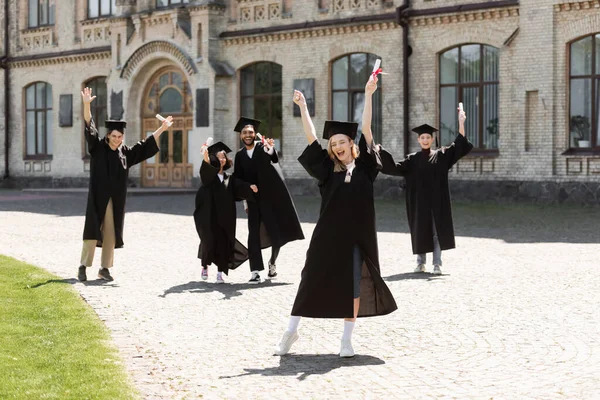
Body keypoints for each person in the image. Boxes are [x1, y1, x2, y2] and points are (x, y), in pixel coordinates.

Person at [274, 78, 397, 358]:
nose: (337, 146)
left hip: (358, 238)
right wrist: (304, 107)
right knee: (309, 279)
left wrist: (368, 95)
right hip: (327, 235)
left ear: (351, 144)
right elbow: (311, 137)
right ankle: (290, 332)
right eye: (334, 144)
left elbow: (366, 128)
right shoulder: (327, 170)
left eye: (342, 142)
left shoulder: (367, 167)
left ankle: (346, 340)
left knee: (354, 285)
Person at [77, 87, 172, 282]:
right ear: (107, 136)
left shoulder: (125, 153)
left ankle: (104, 268)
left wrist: (162, 128)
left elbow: (144, 145)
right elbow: (89, 124)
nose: (117, 140)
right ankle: (83, 265)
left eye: (120, 137)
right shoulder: (97, 147)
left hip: (115, 200)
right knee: (92, 230)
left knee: (110, 233)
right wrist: (87, 104)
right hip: (97, 196)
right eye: (114, 136)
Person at [378, 107, 473, 275]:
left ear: (432, 138)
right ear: (418, 139)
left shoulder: (441, 155)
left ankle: (437, 264)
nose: (425, 139)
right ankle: (420, 263)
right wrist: (380, 152)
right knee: (420, 230)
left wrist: (461, 122)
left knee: (437, 232)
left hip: (438, 201)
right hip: (419, 202)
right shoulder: (412, 159)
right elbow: (394, 167)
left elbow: (459, 145)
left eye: (428, 137)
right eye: (422, 137)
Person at [232, 117, 304, 284]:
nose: (248, 135)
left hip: (270, 198)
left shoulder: (262, 147)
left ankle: (272, 262)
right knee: (253, 235)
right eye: (244, 133)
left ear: (255, 134)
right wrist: (248, 187)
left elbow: (273, 159)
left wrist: (271, 149)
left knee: (275, 232)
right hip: (252, 201)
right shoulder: (239, 155)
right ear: (241, 136)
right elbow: (237, 179)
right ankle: (255, 271)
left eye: (250, 132)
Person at [193, 141, 258, 284]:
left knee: (224, 241)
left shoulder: (230, 178)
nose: (221, 159)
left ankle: (220, 273)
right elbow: (206, 167)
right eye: (218, 156)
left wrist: (249, 187)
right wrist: (205, 153)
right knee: (208, 240)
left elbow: (239, 187)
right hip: (208, 214)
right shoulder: (209, 175)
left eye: (223, 157)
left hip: (226, 215)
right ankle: (205, 265)